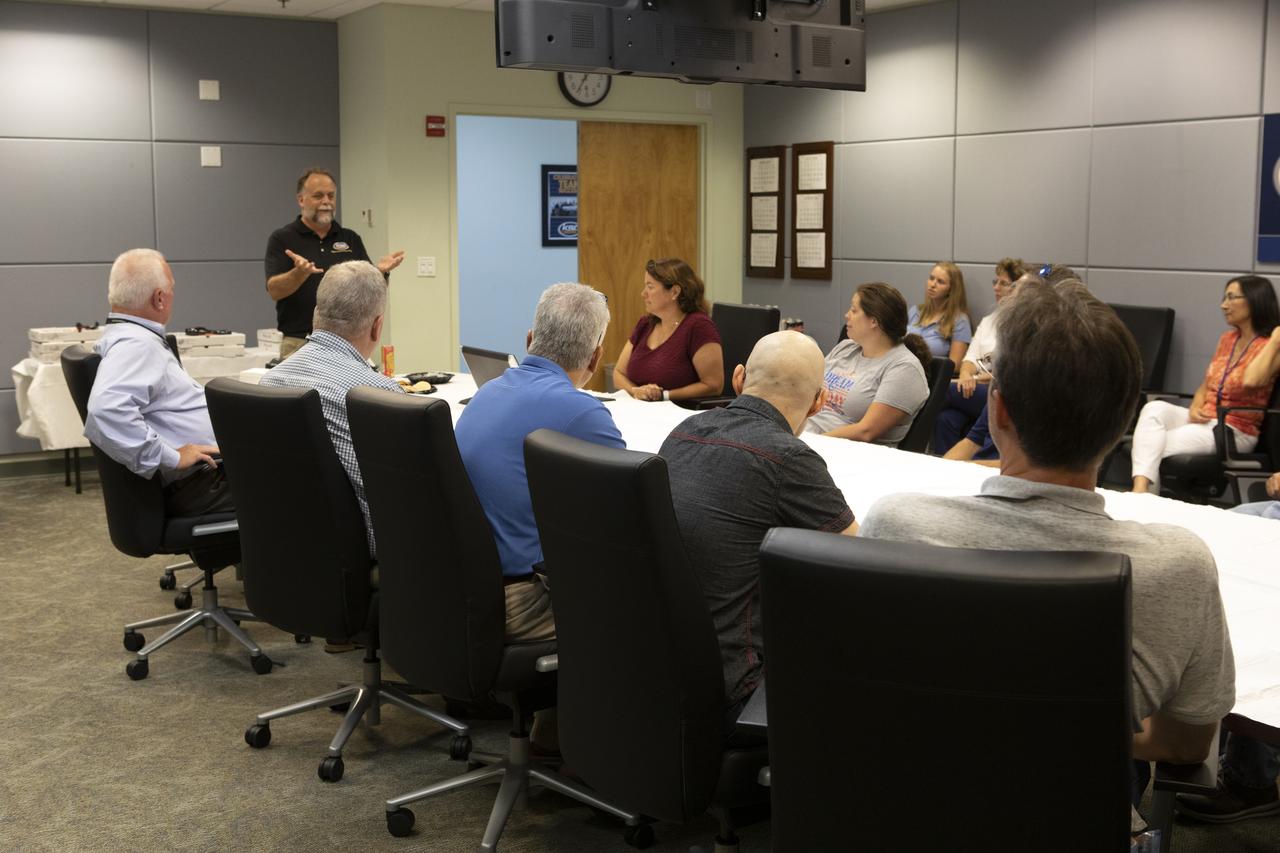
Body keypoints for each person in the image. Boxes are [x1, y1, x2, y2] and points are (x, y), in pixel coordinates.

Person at [859, 280, 1236, 831]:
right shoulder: (1179, 567)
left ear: (998, 411)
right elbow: (1185, 745)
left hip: (905, 820)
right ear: (1123, 424)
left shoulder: (897, 526)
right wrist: (1066, 726)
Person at [660, 331, 856, 725]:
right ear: (819, 402)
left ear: (738, 378)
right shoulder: (790, 459)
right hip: (731, 685)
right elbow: (856, 561)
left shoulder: (682, 432)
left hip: (657, 664)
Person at [456, 282, 623, 643]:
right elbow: (627, 515)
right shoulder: (583, 413)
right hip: (518, 601)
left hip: (459, 585)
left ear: (530, 339)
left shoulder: (487, 392)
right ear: (595, 358)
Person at [259, 261, 404, 558]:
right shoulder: (381, 395)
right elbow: (404, 493)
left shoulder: (271, 381)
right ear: (377, 326)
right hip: (369, 546)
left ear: (316, 314)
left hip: (285, 538)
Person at [84, 249, 232, 517]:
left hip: (203, 476)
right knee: (300, 479)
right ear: (159, 298)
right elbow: (105, 408)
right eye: (172, 289)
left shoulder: (130, 337)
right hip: (202, 481)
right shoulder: (137, 345)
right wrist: (171, 456)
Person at [1131, 275, 1280, 494]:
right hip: (1205, 419)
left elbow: (1251, 380)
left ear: (1255, 300)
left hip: (1233, 430)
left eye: (1232, 298)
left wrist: (1276, 339)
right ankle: (1141, 493)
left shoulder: (1271, 347)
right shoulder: (1227, 339)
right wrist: (1195, 406)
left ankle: (1141, 496)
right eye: (1224, 298)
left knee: (1152, 446)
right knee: (1154, 408)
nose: (1224, 305)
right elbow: (1207, 383)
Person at [264, 168, 405, 359]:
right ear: (301, 200)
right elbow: (274, 291)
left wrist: (381, 272)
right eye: (318, 196)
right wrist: (299, 273)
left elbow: (370, 290)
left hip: (350, 342)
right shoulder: (283, 238)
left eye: (331, 196)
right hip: (299, 343)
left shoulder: (350, 238)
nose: (326, 201)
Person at [803, 282, 930, 447]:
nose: (847, 315)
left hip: (839, 450)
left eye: (854, 310)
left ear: (874, 321)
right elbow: (808, 393)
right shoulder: (845, 348)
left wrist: (808, 443)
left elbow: (866, 431)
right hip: (805, 437)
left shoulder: (905, 369)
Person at [932, 257, 1026, 455]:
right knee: (947, 419)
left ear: (1018, 289)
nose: (996, 288)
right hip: (974, 388)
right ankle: (944, 466)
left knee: (941, 390)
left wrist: (973, 380)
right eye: (995, 281)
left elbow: (1011, 374)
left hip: (998, 391)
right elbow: (970, 359)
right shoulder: (989, 320)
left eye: (1004, 283)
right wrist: (966, 375)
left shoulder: (1023, 323)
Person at [612, 258, 724, 402]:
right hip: (641, 409)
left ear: (674, 292)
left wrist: (663, 395)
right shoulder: (645, 324)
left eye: (650, 287)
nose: (643, 293)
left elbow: (714, 385)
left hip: (682, 412)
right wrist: (637, 391)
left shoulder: (699, 326)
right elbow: (618, 373)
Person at [907, 261, 971, 370]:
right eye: (931, 278)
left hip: (932, 375)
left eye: (940, 282)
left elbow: (954, 366)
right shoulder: (915, 311)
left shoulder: (960, 320)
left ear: (951, 289)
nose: (932, 285)